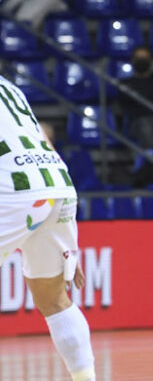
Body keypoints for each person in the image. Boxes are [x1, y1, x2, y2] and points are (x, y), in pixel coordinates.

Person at [0, 75, 96, 380]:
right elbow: (40, 135)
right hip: (56, 182)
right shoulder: (8, 86)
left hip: (15, 188)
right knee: (54, 301)